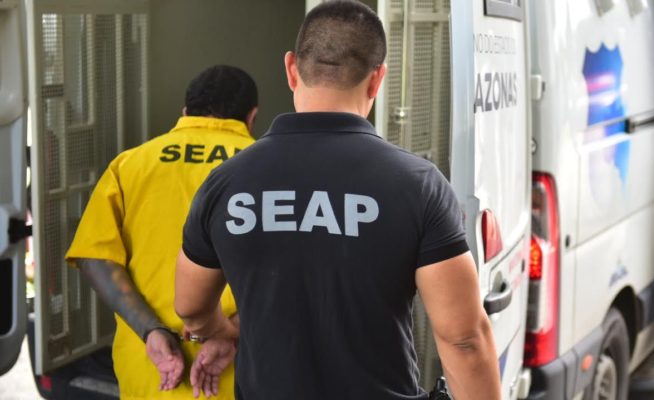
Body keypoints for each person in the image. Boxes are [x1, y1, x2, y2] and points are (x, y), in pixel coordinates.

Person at [174, 2, 501, 399]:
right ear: (377, 80)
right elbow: (464, 340)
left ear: (291, 69)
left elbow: (190, 307)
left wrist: (221, 332)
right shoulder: (418, 185)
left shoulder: (227, 182)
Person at [65, 65, 258, 399]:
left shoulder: (130, 165)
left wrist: (150, 330)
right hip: (240, 370)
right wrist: (232, 331)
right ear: (251, 117)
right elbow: (296, 270)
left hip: (152, 371)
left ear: (185, 113)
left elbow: (95, 258)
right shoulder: (268, 170)